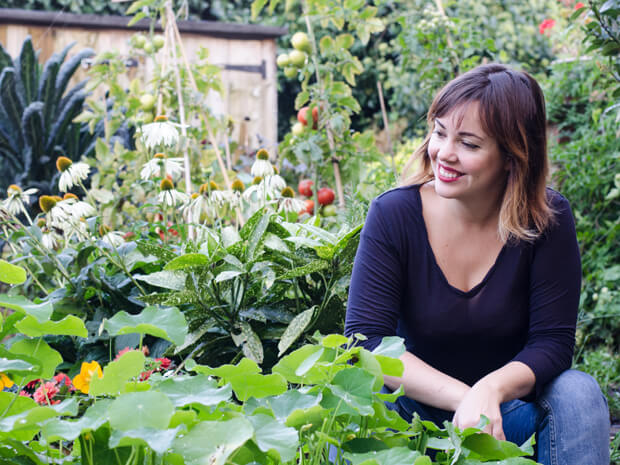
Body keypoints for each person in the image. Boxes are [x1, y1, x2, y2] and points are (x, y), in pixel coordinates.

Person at [344, 63, 610, 464]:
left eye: (468, 144)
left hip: (507, 418)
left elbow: (552, 344)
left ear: (512, 157)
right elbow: (367, 339)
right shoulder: (394, 214)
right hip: (410, 415)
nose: (444, 154)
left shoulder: (546, 219)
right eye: (439, 132)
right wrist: (468, 399)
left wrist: (492, 391)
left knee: (578, 391)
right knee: (344, 401)